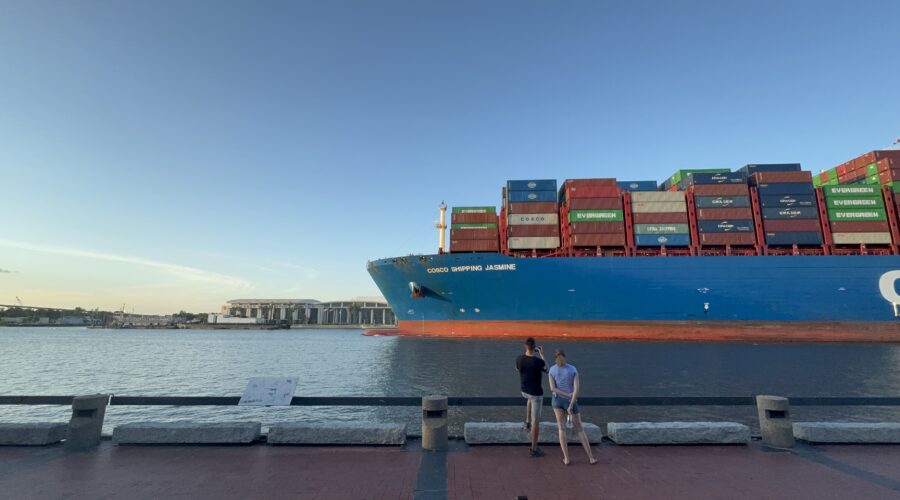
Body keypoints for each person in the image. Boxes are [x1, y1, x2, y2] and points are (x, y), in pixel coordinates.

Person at [548, 348, 597, 465]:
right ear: (565, 357)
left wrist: (564, 394)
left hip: (557, 401)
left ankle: (566, 458)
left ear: (555, 358)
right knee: (580, 429)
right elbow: (576, 390)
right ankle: (591, 458)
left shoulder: (552, 370)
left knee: (561, 429)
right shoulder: (573, 369)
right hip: (571, 401)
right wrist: (570, 404)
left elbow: (552, 388)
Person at [516, 337, 547, 457]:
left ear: (525, 346)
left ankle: (527, 421)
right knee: (536, 422)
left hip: (524, 391)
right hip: (536, 394)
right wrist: (542, 354)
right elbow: (547, 369)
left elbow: (517, 369)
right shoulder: (537, 362)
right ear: (535, 348)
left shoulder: (519, 359)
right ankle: (534, 449)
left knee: (529, 399)